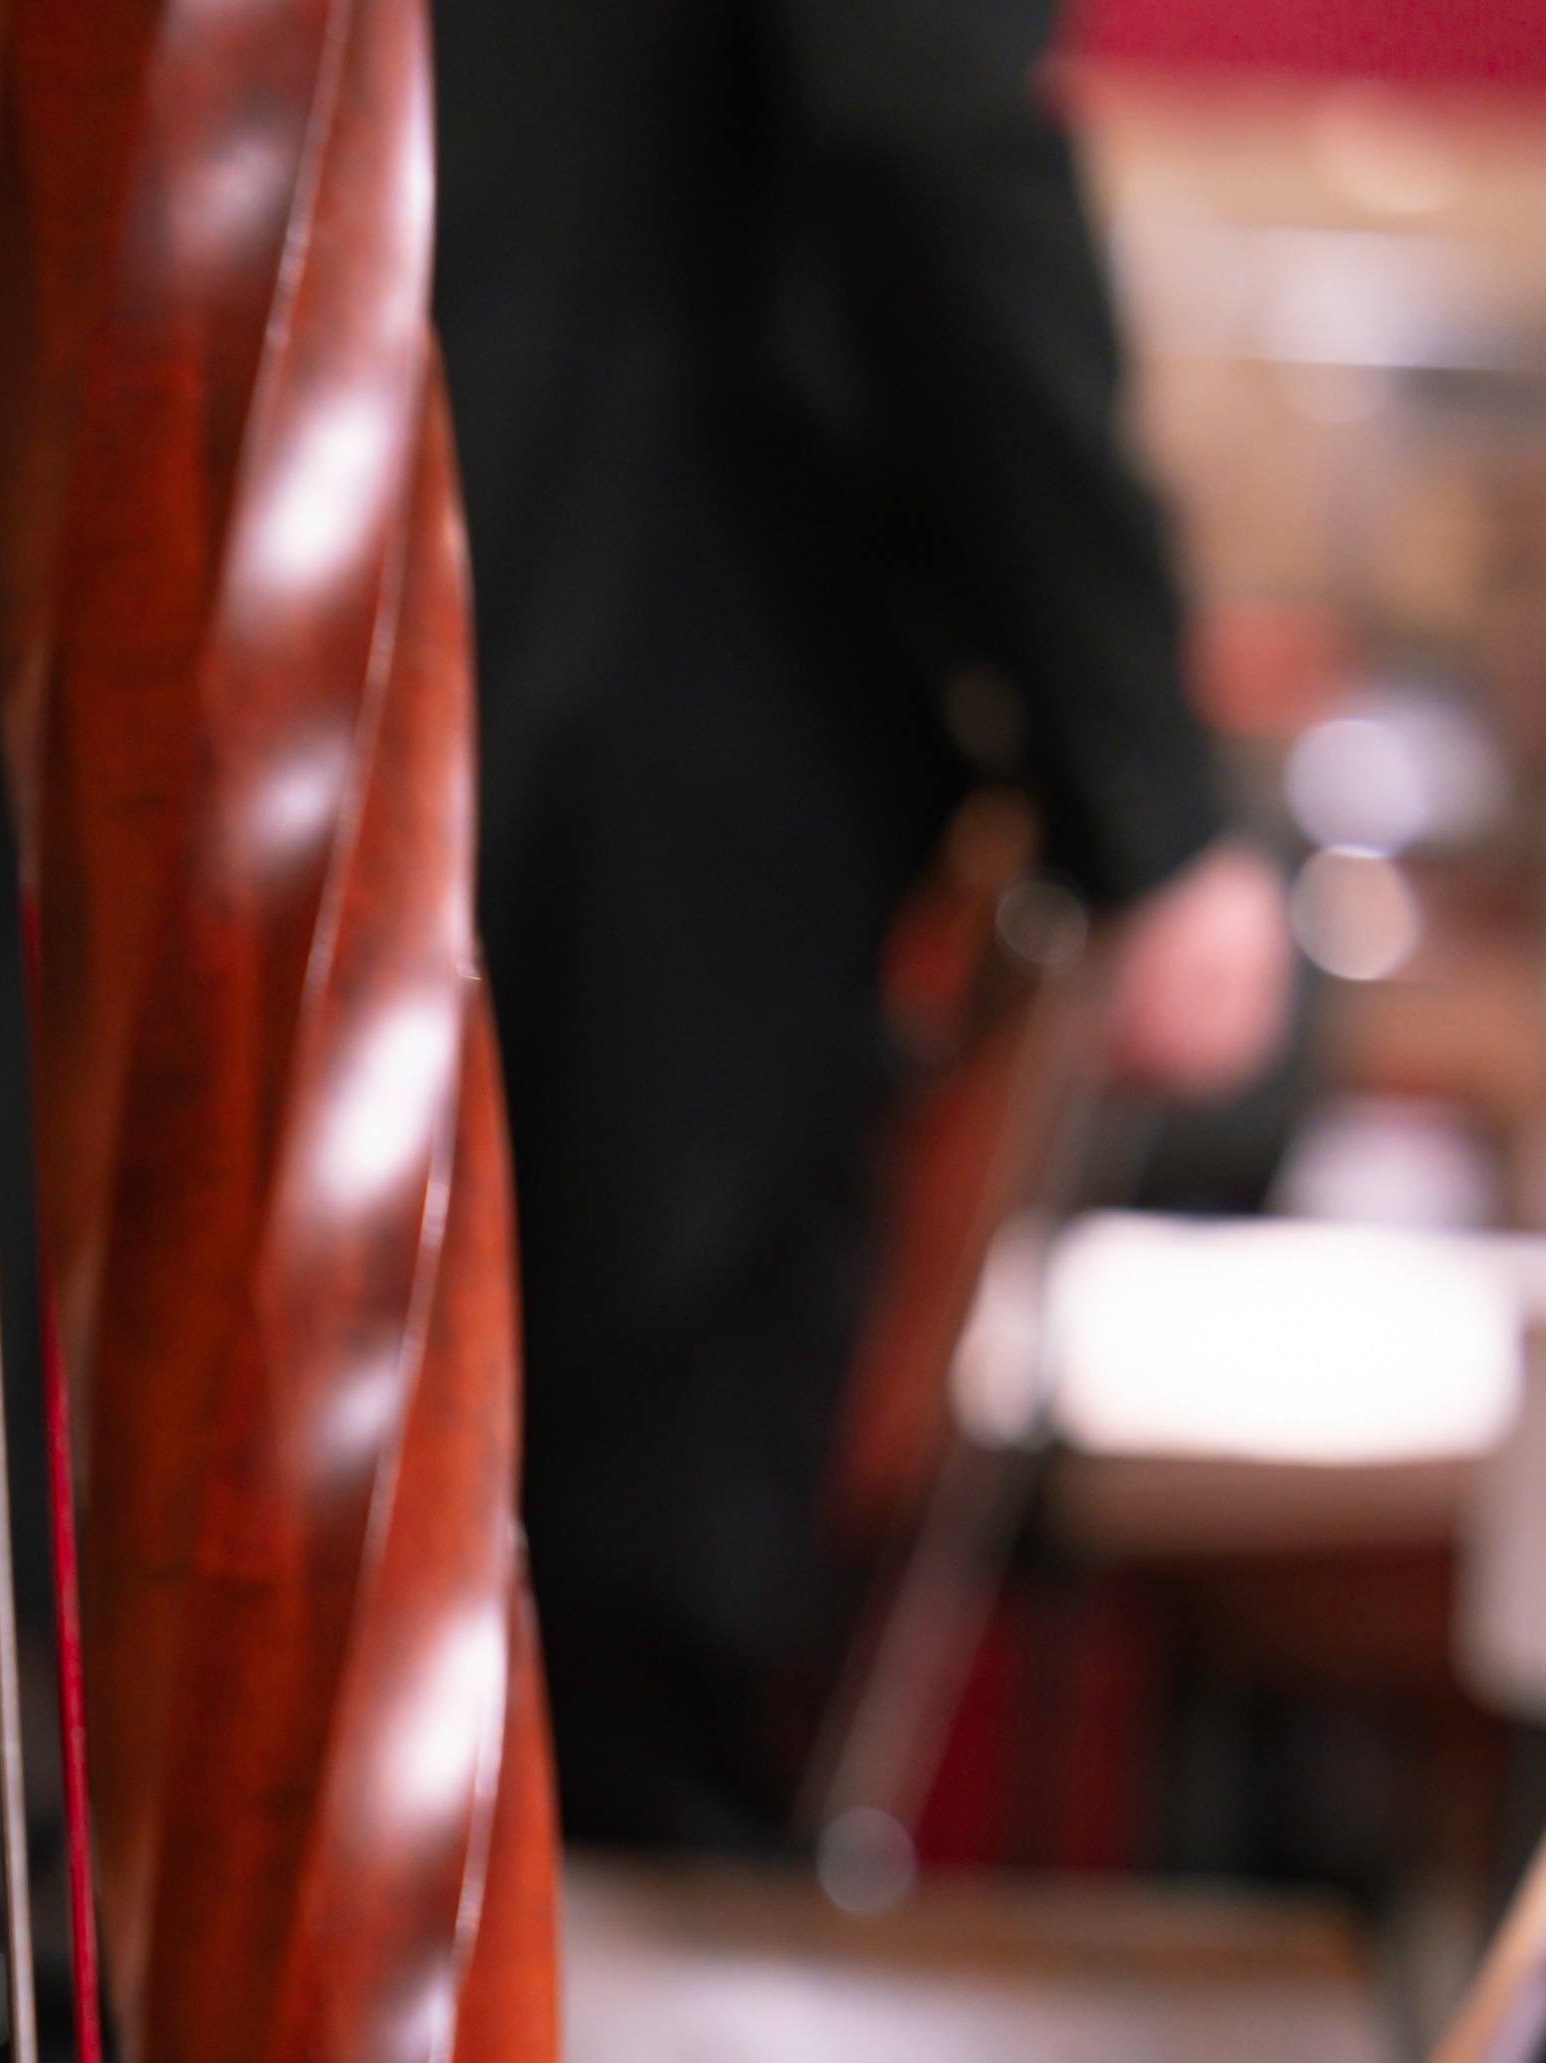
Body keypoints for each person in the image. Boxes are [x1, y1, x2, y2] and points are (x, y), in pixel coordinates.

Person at [432, 0, 1293, 1848]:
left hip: (192, 817)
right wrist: (1146, 798)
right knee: (600, 1756)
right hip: (649, 831)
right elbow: (926, 128)